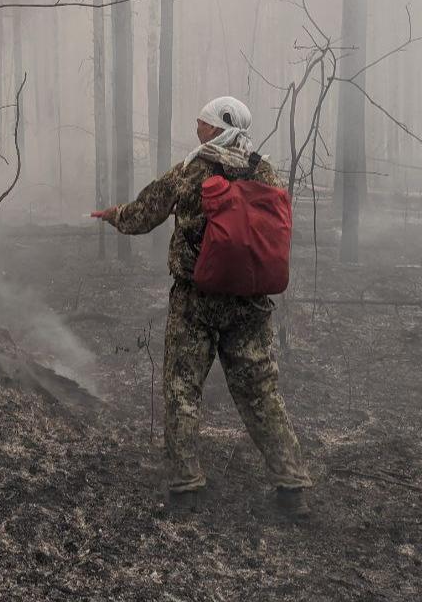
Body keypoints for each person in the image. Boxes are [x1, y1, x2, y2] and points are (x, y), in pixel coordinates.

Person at [93, 96, 313, 517]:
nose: (197, 128)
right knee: (262, 392)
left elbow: (144, 214)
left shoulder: (193, 171)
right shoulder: (264, 170)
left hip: (197, 301)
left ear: (215, 128)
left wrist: (113, 215)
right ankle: (292, 486)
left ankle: (186, 488)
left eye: (202, 122)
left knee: (182, 390)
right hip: (251, 305)